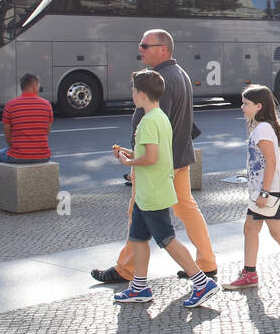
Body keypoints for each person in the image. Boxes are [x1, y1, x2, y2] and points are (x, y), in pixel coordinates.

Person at [92, 30, 217, 286]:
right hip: (179, 156)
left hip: (160, 163)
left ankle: (127, 270)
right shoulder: (179, 73)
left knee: (139, 213)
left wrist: (136, 160)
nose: (140, 49)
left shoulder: (161, 79)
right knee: (187, 209)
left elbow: (156, 125)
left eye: (145, 45)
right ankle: (207, 263)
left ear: (164, 49)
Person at [111, 70, 220, 307]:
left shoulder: (147, 121)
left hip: (152, 192)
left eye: (133, 91)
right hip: (149, 191)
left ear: (140, 95)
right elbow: (156, 154)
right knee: (138, 237)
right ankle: (139, 287)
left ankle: (202, 282)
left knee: (167, 240)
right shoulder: (161, 117)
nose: (132, 95)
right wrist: (132, 154)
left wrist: (128, 162)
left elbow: (150, 158)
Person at [223, 85, 280, 291]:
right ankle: (251, 272)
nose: (242, 107)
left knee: (276, 233)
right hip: (267, 189)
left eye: (246, 104)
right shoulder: (261, 126)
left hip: (269, 190)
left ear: (259, 106)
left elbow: (271, 162)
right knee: (253, 229)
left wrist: (264, 192)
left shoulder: (262, 128)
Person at [0, 73, 53, 178]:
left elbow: (7, 134)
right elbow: (47, 131)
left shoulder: (10, 105)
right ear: (34, 86)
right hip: (43, 156)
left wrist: (16, 149)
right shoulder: (46, 105)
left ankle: (3, 190)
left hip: (18, 156)